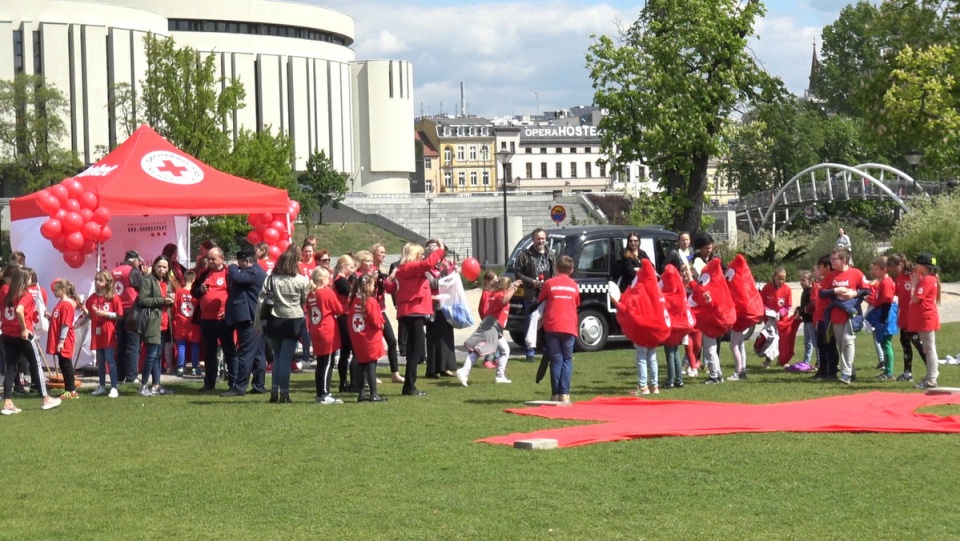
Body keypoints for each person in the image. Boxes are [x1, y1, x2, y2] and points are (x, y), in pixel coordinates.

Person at [387, 240, 446, 396]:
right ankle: (409, 386)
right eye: (419, 254)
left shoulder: (402, 270)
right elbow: (428, 264)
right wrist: (440, 249)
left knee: (414, 349)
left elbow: (389, 288)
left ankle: (409, 385)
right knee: (416, 350)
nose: (422, 257)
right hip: (413, 312)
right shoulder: (410, 267)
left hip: (408, 312)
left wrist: (390, 278)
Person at [1, 267, 61, 414]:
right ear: (24, 280)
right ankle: (45, 398)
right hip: (23, 334)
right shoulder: (25, 294)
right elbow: (19, 310)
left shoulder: (5, 291)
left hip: (7, 334)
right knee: (36, 364)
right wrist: (23, 328)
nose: (31, 281)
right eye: (29, 278)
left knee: (11, 367)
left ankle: (7, 402)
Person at [254, 246, 310, 403]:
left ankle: (274, 392)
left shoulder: (270, 279)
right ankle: (284, 393)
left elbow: (261, 301)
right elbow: (305, 301)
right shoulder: (300, 280)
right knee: (286, 358)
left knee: (277, 358)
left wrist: (257, 322)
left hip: (274, 320)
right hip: (293, 321)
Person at [819, 248, 869, 385]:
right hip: (836, 314)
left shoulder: (856, 273)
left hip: (851, 313)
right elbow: (821, 293)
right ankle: (851, 371)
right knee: (841, 344)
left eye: (834, 259)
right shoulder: (830, 276)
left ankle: (845, 373)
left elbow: (867, 289)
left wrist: (854, 294)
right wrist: (835, 290)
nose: (831, 262)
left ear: (844, 260)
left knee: (848, 340)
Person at [457, 276, 518, 386]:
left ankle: (500, 376)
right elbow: (505, 301)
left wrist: (513, 285)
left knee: (504, 350)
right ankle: (464, 371)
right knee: (479, 351)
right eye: (508, 287)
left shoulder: (495, 294)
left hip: (493, 327)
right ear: (505, 287)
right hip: (491, 327)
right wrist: (514, 288)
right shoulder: (499, 295)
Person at [222, 250, 268, 397]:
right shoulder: (256, 271)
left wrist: (232, 267)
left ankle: (239, 387)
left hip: (251, 320)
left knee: (245, 353)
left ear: (247, 261)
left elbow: (236, 277)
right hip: (255, 319)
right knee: (258, 354)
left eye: (240, 262)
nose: (239, 265)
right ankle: (259, 384)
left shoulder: (253, 272)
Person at [193, 247, 237, 391]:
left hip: (223, 319)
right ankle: (209, 382)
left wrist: (229, 312)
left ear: (222, 259)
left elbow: (235, 295)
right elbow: (194, 291)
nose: (210, 261)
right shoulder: (204, 273)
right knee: (209, 352)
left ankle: (233, 383)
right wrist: (200, 290)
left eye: (213, 258)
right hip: (207, 320)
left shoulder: (229, 273)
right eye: (209, 258)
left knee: (229, 351)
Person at [538, 256, 579, 403]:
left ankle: (555, 394)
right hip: (569, 325)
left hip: (552, 324)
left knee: (556, 360)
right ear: (571, 270)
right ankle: (565, 393)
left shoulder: (549, 283)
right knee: (567, 359)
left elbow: (540, 300)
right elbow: (576, 302)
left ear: (556, 268)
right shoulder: (574, 285)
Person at [137, 255, 177, 397]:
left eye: (164, 267)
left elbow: (169, 300)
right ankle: (143, 386)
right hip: (152, 323)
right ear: (154, 266)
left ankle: (156, 385)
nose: (162, 269)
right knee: (151, 355)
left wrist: (170, 301)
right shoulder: (148, 281)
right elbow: (142, 300)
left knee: (158, 356)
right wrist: (162, 300)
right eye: (159, 266)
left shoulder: (167, 282)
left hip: (165, 322)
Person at [516, 228, 556, 362]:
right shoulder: (525, 255)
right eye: (538, 238)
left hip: (547, 293)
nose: (541, 241)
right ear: (533, 239)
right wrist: (532, 282)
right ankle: (530, 352)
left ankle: (546, 349)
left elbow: (555, 273)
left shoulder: (550, 254)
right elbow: (518, 274)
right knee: (531, 321)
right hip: (532, 293)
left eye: (543, 238)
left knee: (547, 321)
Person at [308, 267, 345, 404]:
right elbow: (339, 309)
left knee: (321, 362)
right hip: (327, 329)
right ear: (322, 279)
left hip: (316, 328)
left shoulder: (311, 294)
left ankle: (321, 392)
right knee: (328, 362)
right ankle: (324, 393)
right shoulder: (326, 293)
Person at [347, 274, 387, 402]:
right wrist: (382, 324)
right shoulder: (370, 301)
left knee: (361, 365)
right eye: (373, 284)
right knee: (371, 365)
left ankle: (362, 394)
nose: (374, 287)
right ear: (368, 286)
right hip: (370, 338)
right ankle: (373, 394)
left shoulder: (354, 300)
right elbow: (376, 321)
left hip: (358, 337)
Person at [888, 254, 925, 382]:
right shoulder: (899, 278)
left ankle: (931, 371)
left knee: (919, 345)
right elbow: (899, 295)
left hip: (914, 317)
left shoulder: (914, 276)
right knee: (905, 344)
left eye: (894, 268)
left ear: (901, 264)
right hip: (903, 317)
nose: (893, 271)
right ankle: (907, 372)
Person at [424, 240, 457, 378]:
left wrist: (451, 272)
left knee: (447, 336)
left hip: (446, 305)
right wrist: (446, 274)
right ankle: (433, 369)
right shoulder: (426, 269)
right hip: (434, 306)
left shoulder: (442, 266)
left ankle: (446, 366)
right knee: (435, 338)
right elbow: (432, 284)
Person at [87, 271, 123, 398]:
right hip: (97, 332)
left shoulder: (113, 297)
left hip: (108, 332)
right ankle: (101, 386)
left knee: (110, 359)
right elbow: (89, 314)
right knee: (100, 360)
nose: (97, 282)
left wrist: (105, 314)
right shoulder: (92, 298)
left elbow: (119, 315)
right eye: (96, 279)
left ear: (107, 282)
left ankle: (114, 387)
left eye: (100, 280)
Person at [371, 243, 404, 383]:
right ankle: (371, 374)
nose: (383, 255)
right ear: (373, 253)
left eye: (384, 252)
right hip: (372, 309)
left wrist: (393, 281)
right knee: (374, 342)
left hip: (381, 309)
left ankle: (394, 373)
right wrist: (389, 278)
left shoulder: (382, 269)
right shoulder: (371, 270)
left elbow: (387, 289)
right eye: (381, 252)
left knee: (391, 340)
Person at [909, 253, 941, 389]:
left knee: (929, 349)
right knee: (928, 348)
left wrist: (913, 285)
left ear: (924, 266)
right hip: (924, 317)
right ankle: (930, 376)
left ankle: (932, 378)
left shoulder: (927, 280)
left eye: (917, 264)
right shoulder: (929, 279)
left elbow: (915, 298)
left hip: (926, 318)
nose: (915, 266)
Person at [47, 279, 82, 400]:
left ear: (63, 290)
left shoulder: (67, 304)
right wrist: (50, 318)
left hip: (65, 340)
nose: (54, 292)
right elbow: (59, 320)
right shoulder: (61, 303)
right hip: (60, 339)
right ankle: (68, 389)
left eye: (56, 290)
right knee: (63, 364)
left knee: (67, 365)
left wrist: (61, 341)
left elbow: (66, 324)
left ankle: (71, 390)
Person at [112, 250, 143, 384]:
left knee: (121, 344)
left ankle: (120, 376)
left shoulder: (114, 271)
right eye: (138, 260)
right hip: (132, 311)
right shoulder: (133, 272)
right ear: (134, 260)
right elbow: (144, 287)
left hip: (118, 312)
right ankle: (131, 376)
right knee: (133, 344)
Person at [866, 257, 896, 380]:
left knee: (886, 343)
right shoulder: (881, 282)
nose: (874, 272)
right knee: (884, 343)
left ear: (884, 269)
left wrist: (883, 318)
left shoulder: (886, 282)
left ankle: (889, 372)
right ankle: (888, 371)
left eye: (877, 269)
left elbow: (888, 301)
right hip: (884, 312)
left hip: (886, 313)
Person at [757, 267, 792, 370]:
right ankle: (767, 361)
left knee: (782, 341)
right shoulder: (767, 288)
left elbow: (788, 305)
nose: (781, 281)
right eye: (779, 279)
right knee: (771, 340)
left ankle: (783, 361)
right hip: (769, 320)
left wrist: (780, 313)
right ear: (774, 277)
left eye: (783, 279)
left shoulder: (787, 289)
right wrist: (768, 311)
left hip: (782, 320)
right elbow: (761, 302)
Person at [332, 254, 356, 391]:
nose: (353, 270)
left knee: (346, 352)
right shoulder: (340, 280)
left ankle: (344, 383)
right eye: (351, 267)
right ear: (343, 267)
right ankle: (352, 382)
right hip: (344, 316)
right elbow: (350, 293)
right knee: (353, 350)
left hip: (345, 316)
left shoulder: (343, 280)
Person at [174, 269, 202, 377]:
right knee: (195, 345)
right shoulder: (196, 293)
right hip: (194, 323)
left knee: (181, 345)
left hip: (181, 322)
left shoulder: (179, 292)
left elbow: (175, 307)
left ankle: (181, 367)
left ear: (184, 279)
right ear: (194, 279)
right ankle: (195, 368)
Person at [477, 270, 499, 369]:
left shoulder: (493, 292)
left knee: (496, 340)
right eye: (493, 281)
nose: (495, 282)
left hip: (494, 320)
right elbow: (483, 309)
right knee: (490, 341)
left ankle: (496, 359)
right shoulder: (486, 294)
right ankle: (487, 359)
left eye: (496, 280)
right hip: (489, 321)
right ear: (487, 281)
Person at [795, 270, 816, 370]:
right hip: (806, 321)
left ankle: (819, 362)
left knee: (815, 342)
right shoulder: (804, 291)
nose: (801, 282)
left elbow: (810, 307)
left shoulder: (811, 291)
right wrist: (799, 309)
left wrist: (801, 312)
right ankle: (806, 361)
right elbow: (804, 306)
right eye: (800, 280)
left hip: (811, 320)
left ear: (811, 280)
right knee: (807, 342)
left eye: (804, 280)